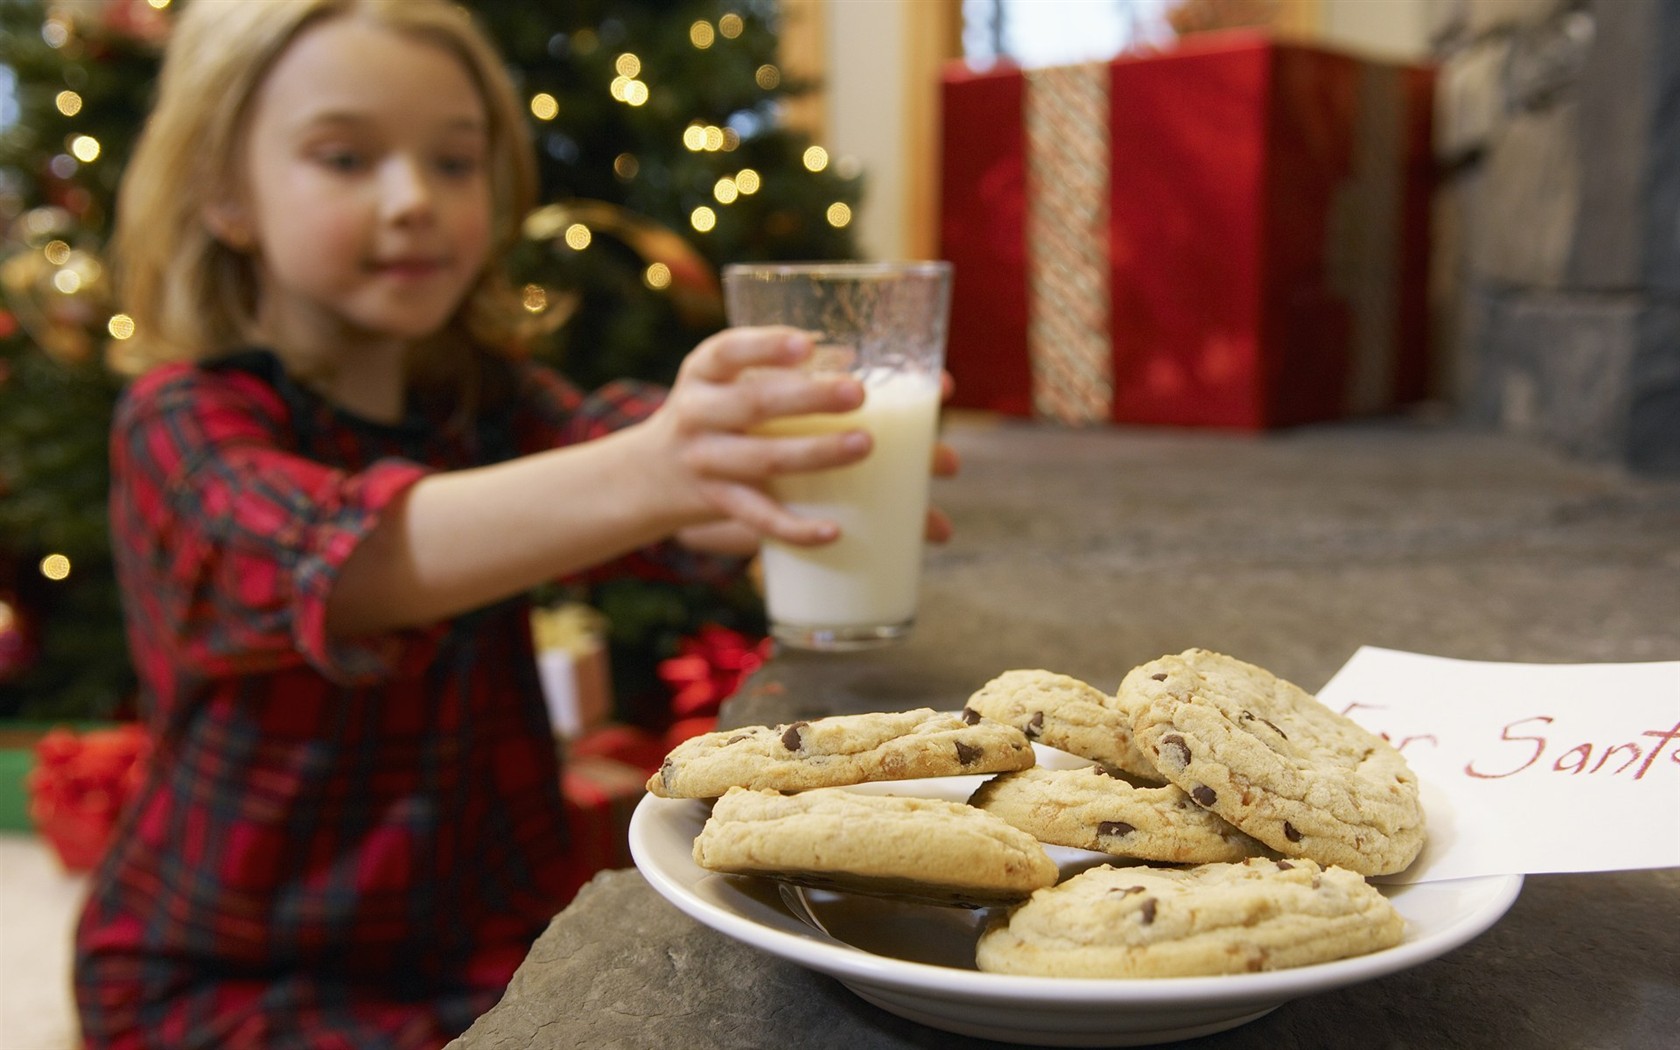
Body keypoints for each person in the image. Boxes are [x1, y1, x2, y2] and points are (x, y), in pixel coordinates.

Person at [73, 1, 955, 1046]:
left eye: (454, 162)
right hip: (239, 964)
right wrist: (663, 466)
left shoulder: (485, 399)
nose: (413, 200)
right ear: (224, 192)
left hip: (483, 926)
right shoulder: (178, 419)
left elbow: (621, 466)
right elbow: (342, 560)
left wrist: (762, 463)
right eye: (345, 157)